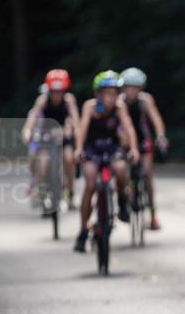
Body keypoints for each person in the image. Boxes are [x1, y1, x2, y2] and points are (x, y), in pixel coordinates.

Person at [72, 70, 139, 253]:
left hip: (112, 148)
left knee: (120, 169)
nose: (110, 98)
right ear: (98, 93)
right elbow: (82, 129)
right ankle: (83, 230)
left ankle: (123, 201)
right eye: (106, 93)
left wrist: (133, 148)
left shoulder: (119, 108)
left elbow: (129, 128)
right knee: (91, 183)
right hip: (92, 148)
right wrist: (78, 149)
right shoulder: (90, 107)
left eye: (114, 93)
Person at [21, 69, 80, 208]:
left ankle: (70, 192)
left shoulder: (69, 101)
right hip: (45, 137)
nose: (57, 95)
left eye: (60, 91)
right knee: (41, 164)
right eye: (54, 91)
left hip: (63, 136)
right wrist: (27, 131)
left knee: (68, 158)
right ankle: (41, 191)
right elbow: (32, 118)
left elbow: (76, 121)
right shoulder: (42, 100)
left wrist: (75, 134)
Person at [119, 67, 168, 230]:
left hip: (143, 141)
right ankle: (127, 196)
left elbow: (156, 118)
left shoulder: (145, 100)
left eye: (135, 87)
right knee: (122, 172)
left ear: (140, 88)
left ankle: (153, 215)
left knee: (147, 175)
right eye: (128, 87)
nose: (131, 91)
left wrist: (160, 137)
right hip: (125, 142)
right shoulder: (119, 102)